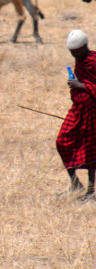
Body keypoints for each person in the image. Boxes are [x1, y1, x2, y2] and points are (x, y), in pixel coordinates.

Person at [56, 29, 96, 199]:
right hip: (78, 110)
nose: (73, 55)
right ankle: (75, 184)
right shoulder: (80, 61)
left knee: (91, 150)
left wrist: (82, 86)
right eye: (70, 52)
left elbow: (88, 84)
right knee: (62, 141)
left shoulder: (94, 61)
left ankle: (91, 189)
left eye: (75, 51)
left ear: (84, 47)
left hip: (93, 112)